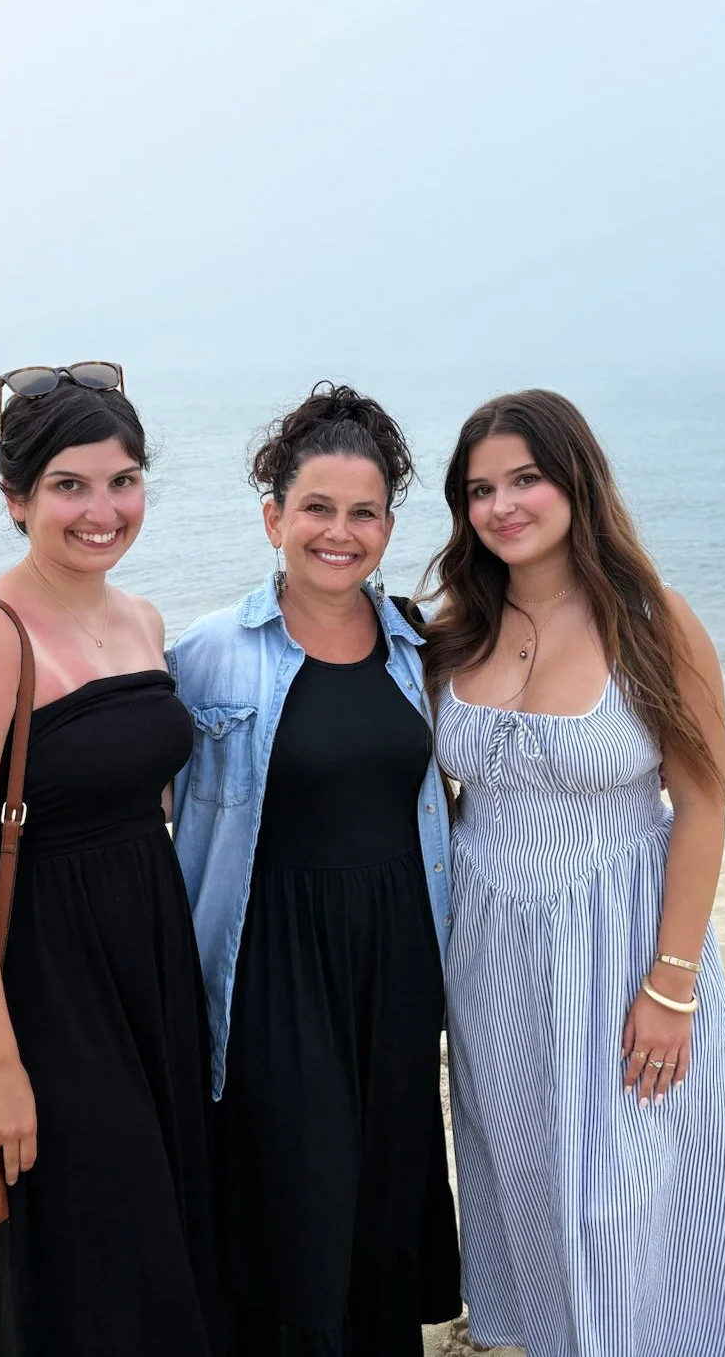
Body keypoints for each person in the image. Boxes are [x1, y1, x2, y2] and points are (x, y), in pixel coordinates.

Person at [420, 390, 725, 1356]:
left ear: (575, 481)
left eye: (524, 479)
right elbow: (433, 799)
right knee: (527, 1177)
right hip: (490, 952)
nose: (502, 505)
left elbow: (704, 805)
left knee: (637, 1186)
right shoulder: (453, 628)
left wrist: (671, 985)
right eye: (480, 489)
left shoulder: (652, 619)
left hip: (623, 936)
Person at [0, 364, 221, 1356]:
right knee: (91, 1237)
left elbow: (151, 788)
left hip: (149, 951)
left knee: (159, 1219)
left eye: (124, 479)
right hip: (42, 978)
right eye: (70, 485)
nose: (104, 509)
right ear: (16, 499)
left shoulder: (143, 620)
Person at [168, 382, 461, 1356]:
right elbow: (131, 802)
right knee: (299, 1202)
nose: (340, 532)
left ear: (388, 524)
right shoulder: (209, 655)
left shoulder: (420, 646)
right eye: (317, 508)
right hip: (272, 974)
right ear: (273, 517)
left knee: (380, 1198)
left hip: (399, 967)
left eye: (364, 512)